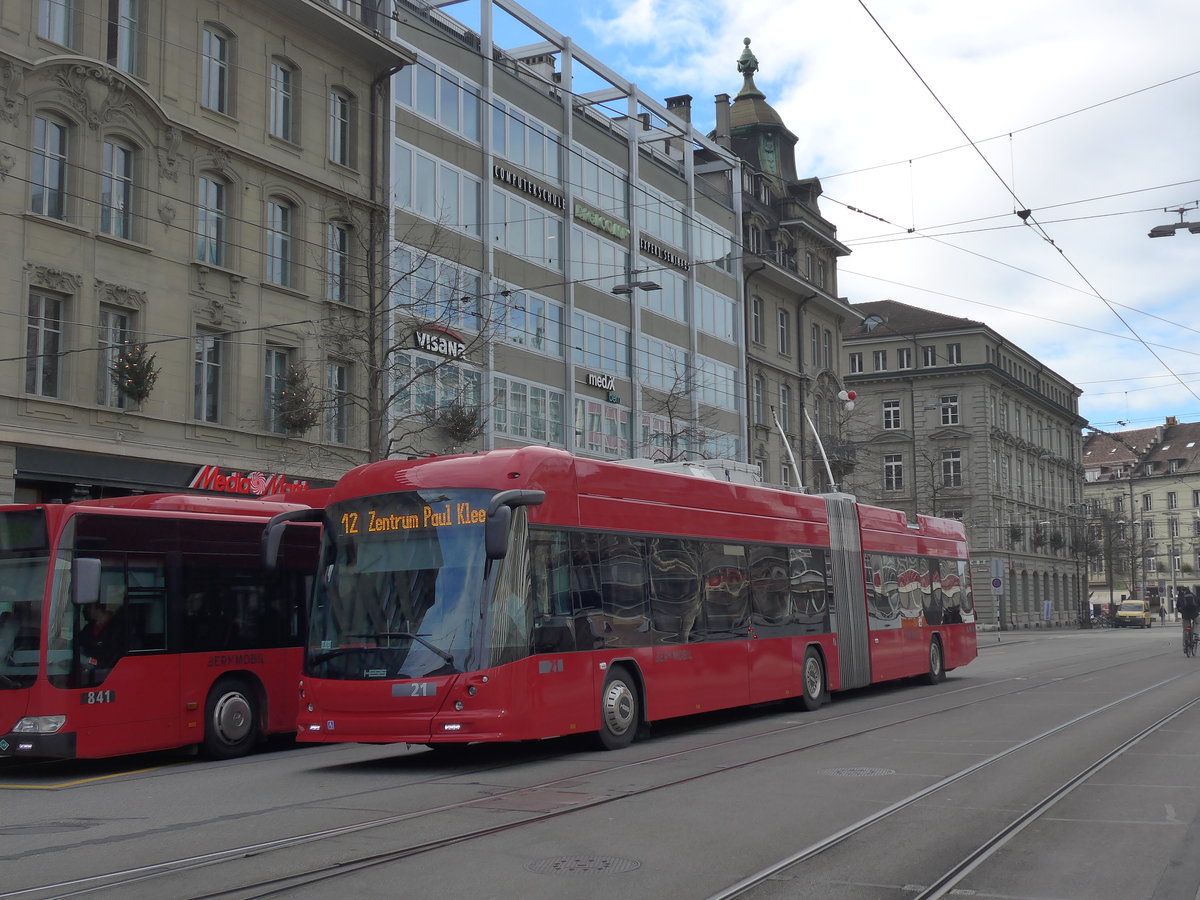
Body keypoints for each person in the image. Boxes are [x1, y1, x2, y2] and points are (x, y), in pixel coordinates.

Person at [79, 602, 126, 672]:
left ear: (99, 609)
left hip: (106, 671)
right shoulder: (89, 627)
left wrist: (92, 662)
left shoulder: (117, 628)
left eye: (89, 607)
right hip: (90, 667)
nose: (87, 611)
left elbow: (113, 653)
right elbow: (79, 641)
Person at [1176, 588, 1199, 654]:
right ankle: (1196, 635)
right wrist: (1197, 611)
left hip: (1185, 615)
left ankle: (1185, 646)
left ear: (1183, 591)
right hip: (1194, 615)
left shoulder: (1181, 597)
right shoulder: (1194, 596)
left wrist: (1182, 611)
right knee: (1198, 623)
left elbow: (1178, 606)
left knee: (1185, 630)